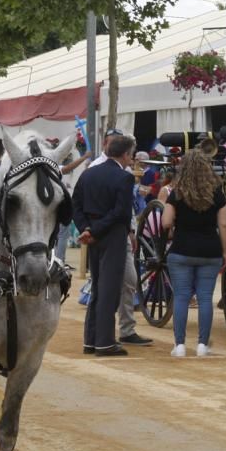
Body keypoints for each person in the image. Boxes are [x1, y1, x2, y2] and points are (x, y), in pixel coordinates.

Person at [157, 149, 226, 357]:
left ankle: (179, 345)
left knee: (181, 296)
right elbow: (223, 225)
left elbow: (166, 222)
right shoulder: (217, 193)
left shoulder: (177, 193)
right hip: (210, 251)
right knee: (205, 298)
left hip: (181, 250)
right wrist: (224, 251)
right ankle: (202, 346)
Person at [73, 134, 138, 357]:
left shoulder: (89, 173)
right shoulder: (124, 178)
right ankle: (104, 342)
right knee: (109, 290)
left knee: (98, 288)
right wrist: (94, 230)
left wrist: (86, 229)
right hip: (111, 235)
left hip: (92, 235)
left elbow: (76, 204)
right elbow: (120, 212)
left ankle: (91, 340)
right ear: (126, 154)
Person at [87, 128, 149, 347]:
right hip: (107, 233)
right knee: (105, 287)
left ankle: (122, 329)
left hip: (116, 230)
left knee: (127, 282)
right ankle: (104, 336)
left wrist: (130, 230)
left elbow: (125, 208)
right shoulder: (98, 168)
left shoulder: (122, 172)